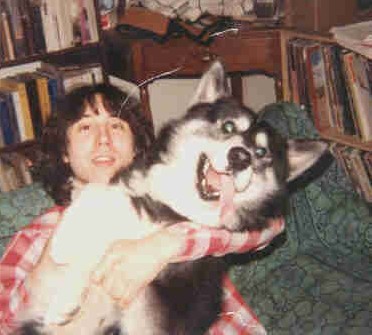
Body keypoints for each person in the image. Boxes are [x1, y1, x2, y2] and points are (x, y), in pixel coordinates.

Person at [0, 83, 282, 334]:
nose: (104, 139)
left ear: (135, 147)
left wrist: (168, 244)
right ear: (64, 152)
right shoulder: (38, 233)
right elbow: (6, 319)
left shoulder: (184, 194)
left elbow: (270, 225)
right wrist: (48, 267)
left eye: (116, 126)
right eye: (86, 127)